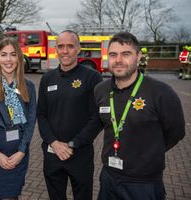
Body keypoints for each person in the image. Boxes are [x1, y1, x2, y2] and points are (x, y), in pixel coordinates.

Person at [94, 32, 185, 200]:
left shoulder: (161, 92)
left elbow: (176, 132)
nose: (118, 60)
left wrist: (149, 152)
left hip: (144, 183)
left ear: (138, 56)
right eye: (113, 54)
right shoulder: (100, 90)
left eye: (126, 54)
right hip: (108, 176)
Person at [37, 30, 103, 200]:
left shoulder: (93, 77)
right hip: (53, 153)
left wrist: (73, 144)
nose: (65, 51)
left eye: (70, 46)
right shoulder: (47, 79)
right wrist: (54, 143)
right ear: (55, 50)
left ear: (78, 49)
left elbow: (96, 119)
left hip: (79, 154)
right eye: (61, 46)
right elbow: (42, 115)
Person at [0, 37, 36, 200]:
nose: (8, 59)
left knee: (13, 195)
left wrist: (22, 151)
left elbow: (31, 121)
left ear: (19, 58)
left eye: (13, 54)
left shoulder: (28, 86)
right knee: (2, 195)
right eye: (4, 54)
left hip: (19, 150)